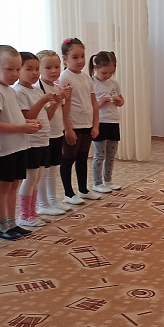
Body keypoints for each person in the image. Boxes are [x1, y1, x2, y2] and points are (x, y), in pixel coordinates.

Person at [0, 45, 41, 241]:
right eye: (10, 69)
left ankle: (11, 223)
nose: (15, 74)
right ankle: (2, 226)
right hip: (5, 149)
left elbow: (12, 117)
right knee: (4, 186)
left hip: (18, 145)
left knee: (14, 185)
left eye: (17, 69)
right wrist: (22, 127)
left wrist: (28, 123)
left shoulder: (9, 90)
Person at [14, 51, 59, 227]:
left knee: (37, 178)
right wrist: (42, 101)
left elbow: (47, 116)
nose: (34, 73)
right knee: (30, 178)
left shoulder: (36, 90)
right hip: (30, 142)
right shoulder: (19, 91)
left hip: (42, 140)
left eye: (36, 69)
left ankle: (33, 212)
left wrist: (55, 102)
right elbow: (28, 116)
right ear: (18, 70)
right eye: (29, 69)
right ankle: (25, 215)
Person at [58, 38, 102, 204]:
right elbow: (63, 106)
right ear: (65, 59)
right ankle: (68, 193)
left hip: (86, 124)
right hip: (73, 125)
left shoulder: (87, 78)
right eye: (75, 57)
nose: (80, 60)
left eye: (82, 56)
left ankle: (83, 190)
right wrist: (68, 128)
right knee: (68, 158)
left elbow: (94, 103)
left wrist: (95, 125)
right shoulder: (64, 78)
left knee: (83, 157)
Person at [36, 49, 72, 216]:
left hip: (57, 133)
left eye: (57, 67)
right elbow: (46, 115)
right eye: (48, 67)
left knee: (53, 170)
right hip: (45, 136)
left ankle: (53, 201)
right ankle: (42, 204)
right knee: (43, 172)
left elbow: (65, 112)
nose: (54, 71)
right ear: (39, 69)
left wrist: (66, 97)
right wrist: (58, 100)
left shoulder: (57, 87)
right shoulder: (38, 90)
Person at [90, 51, 124, 193]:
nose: (108, 75)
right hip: (99, 122)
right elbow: (90, 107)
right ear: (95, 68)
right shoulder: (91, 83)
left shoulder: (114, 83)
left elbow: (121, 102)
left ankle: (108, 180)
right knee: (100, 154)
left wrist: (118, 100)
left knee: (111, 154)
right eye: (104, 73)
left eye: (111, 72)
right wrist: (101, 103)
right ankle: (97, 183)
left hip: (113, 121)